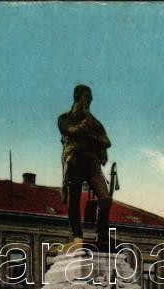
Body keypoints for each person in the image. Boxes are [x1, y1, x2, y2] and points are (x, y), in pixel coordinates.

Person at [58, 84, 112, 247]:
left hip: (92, 164)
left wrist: (89, 134)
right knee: (74, 199)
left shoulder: (94, 122)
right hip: (75, 161)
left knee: (105, 198)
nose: (89, 101)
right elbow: (71, 131)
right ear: (77, 98)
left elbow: (107, 141)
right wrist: (89, 129)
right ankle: (77, 235)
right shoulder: (65, 118)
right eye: (86, 97)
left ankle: (102, 235)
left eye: (90, 98)